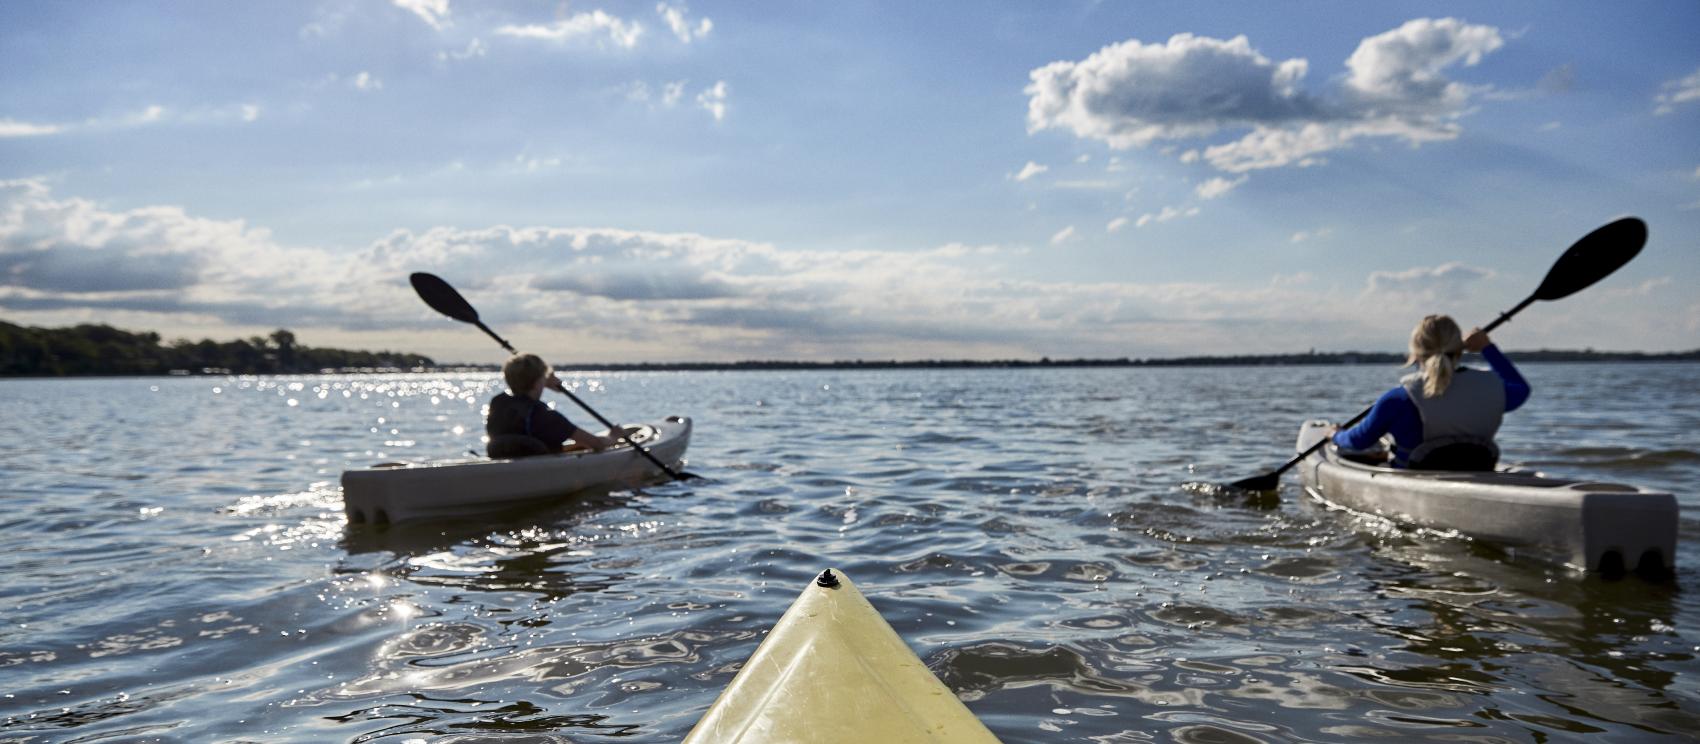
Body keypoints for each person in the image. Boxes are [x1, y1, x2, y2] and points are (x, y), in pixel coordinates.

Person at [1331, 314, 1530, 470]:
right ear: (1459, 350)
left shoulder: (1399, 399)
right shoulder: (1493, 389)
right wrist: (1487, 347)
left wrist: (1336, 435)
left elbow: (1357, 441)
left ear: (1415, 354)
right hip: (1477, 472)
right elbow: (1521, 388)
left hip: (1412, 478)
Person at [485, 353, 619, 459]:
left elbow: (527, 387)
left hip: (505, 461)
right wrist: (613, 437)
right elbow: (598, 445)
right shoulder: (545, 416)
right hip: (536, 470)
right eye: (544, 377)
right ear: (538, 381)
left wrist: (542, 381)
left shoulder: (498, 403)